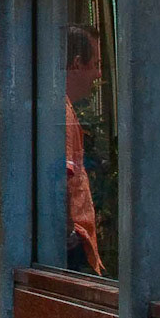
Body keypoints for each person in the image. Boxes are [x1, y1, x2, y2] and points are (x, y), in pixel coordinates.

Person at [65, 24, 103, 273]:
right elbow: (58, 181)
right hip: (69, 248)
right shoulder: (61, 115)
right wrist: (68, 234)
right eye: (97, 64)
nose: (98, 74)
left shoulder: (61, 109)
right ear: (78, 64)